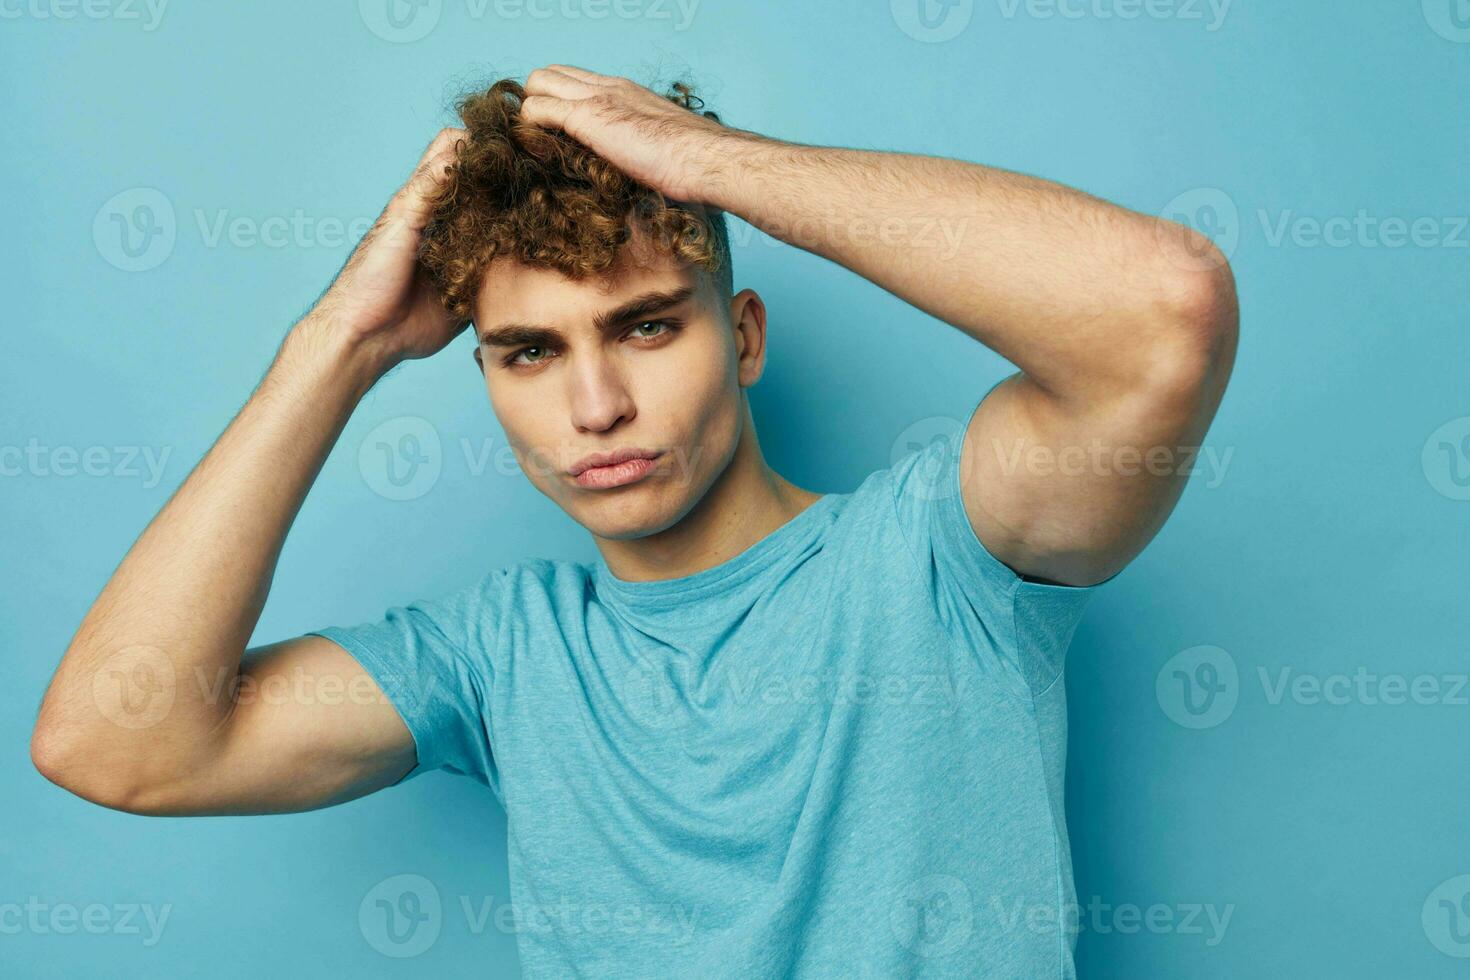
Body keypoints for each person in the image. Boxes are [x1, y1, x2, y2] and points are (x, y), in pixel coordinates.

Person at [30, 65, 1238, 977]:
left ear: (745, 334)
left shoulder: (945, 560)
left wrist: (716, 162)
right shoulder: (501, 656)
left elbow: (1164, 313)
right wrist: (335, 347)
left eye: (648, 323)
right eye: (529, 351)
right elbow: (114, 743)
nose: (596, 404)